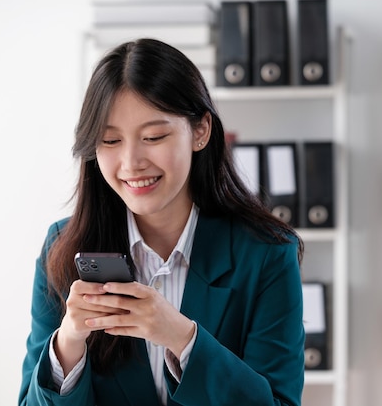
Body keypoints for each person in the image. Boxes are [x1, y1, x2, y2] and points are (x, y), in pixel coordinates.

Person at [19, 38, 305, 406]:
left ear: (200, 131)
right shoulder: (62, 247)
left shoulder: (266, 254)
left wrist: (184, 340)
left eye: (154, 136)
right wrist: (69, 343)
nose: (131, 161)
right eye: (110, 140)